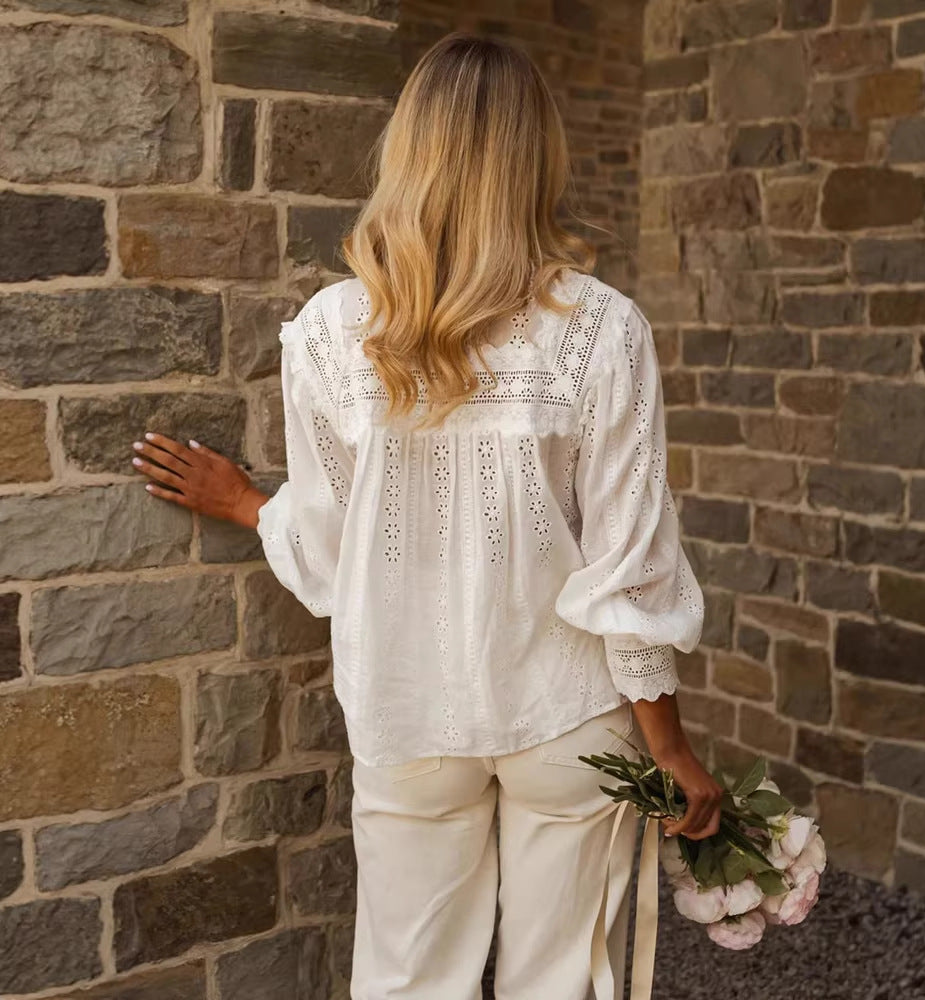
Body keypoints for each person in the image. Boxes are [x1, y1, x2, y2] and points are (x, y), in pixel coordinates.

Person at [130, 31, 722, 1000]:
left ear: (408, 150)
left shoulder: (331, 330)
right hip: (566, 709)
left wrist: (245, 503)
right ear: (536, 157)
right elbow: (629, 565)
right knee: (562, 982)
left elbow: (331, 558)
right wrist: (670, 747)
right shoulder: (601, 329)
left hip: (407, 710)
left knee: (405, 981)